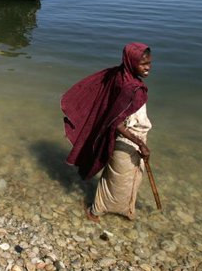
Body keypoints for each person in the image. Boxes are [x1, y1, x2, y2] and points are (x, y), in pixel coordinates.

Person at [60, 43, 153, 221]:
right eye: (143, 64)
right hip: (128, 139)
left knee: (120, 177)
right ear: (132, 62)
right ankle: (95, 211)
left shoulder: (119, 74)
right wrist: (140, 144)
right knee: (121, 179)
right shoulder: (131, 88)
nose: (148, 67)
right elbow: (115, 123)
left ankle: (124, 209)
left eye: (149, 62)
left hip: (125, 136)